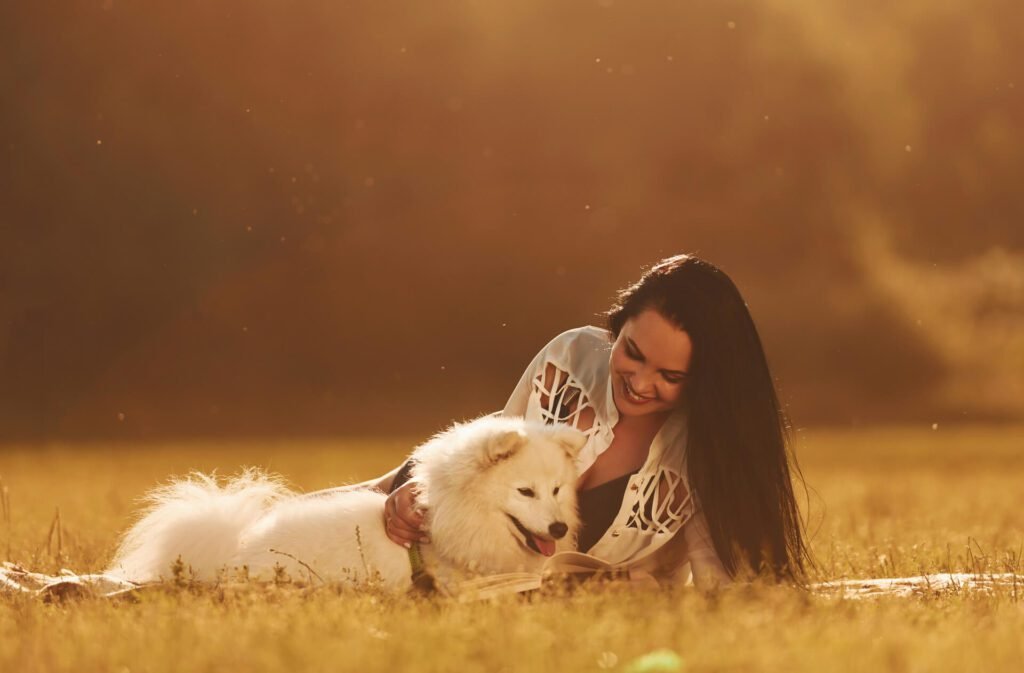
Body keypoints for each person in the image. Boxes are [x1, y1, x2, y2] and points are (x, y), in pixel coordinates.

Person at [372, 254, 810, 588]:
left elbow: (727, 591)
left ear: (704, 381)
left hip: (512, 602)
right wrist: (420, 493)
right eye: (632, 353)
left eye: (670, 376)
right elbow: (495, 452)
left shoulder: (708, 455)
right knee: (312, 534)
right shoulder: (569, 356)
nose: (639, 382)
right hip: (421, 503)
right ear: (618, 327)